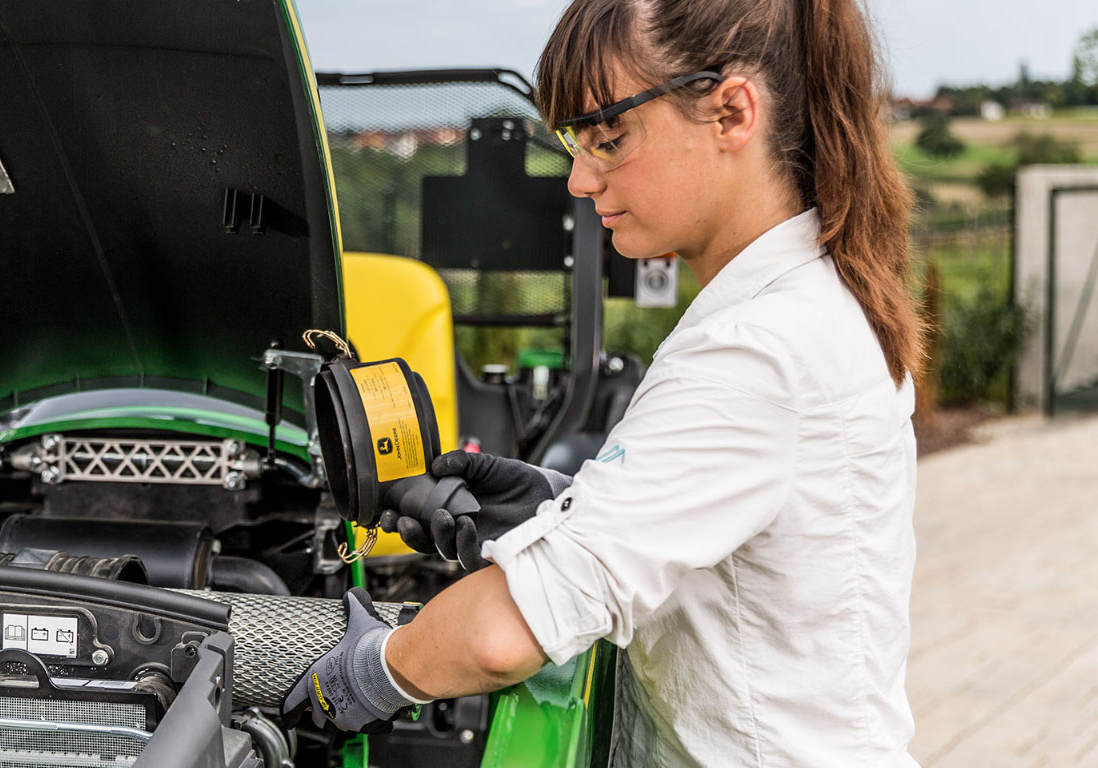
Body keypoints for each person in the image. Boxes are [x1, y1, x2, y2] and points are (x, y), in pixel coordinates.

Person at [283, 0, 923, 763]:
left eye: (609, 139)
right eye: (574, 142)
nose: (581, 180)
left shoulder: (756, 352)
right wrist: (563, 507)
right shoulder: (810, 304)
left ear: (731, 113)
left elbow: (500, 635)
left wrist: (357, 680)